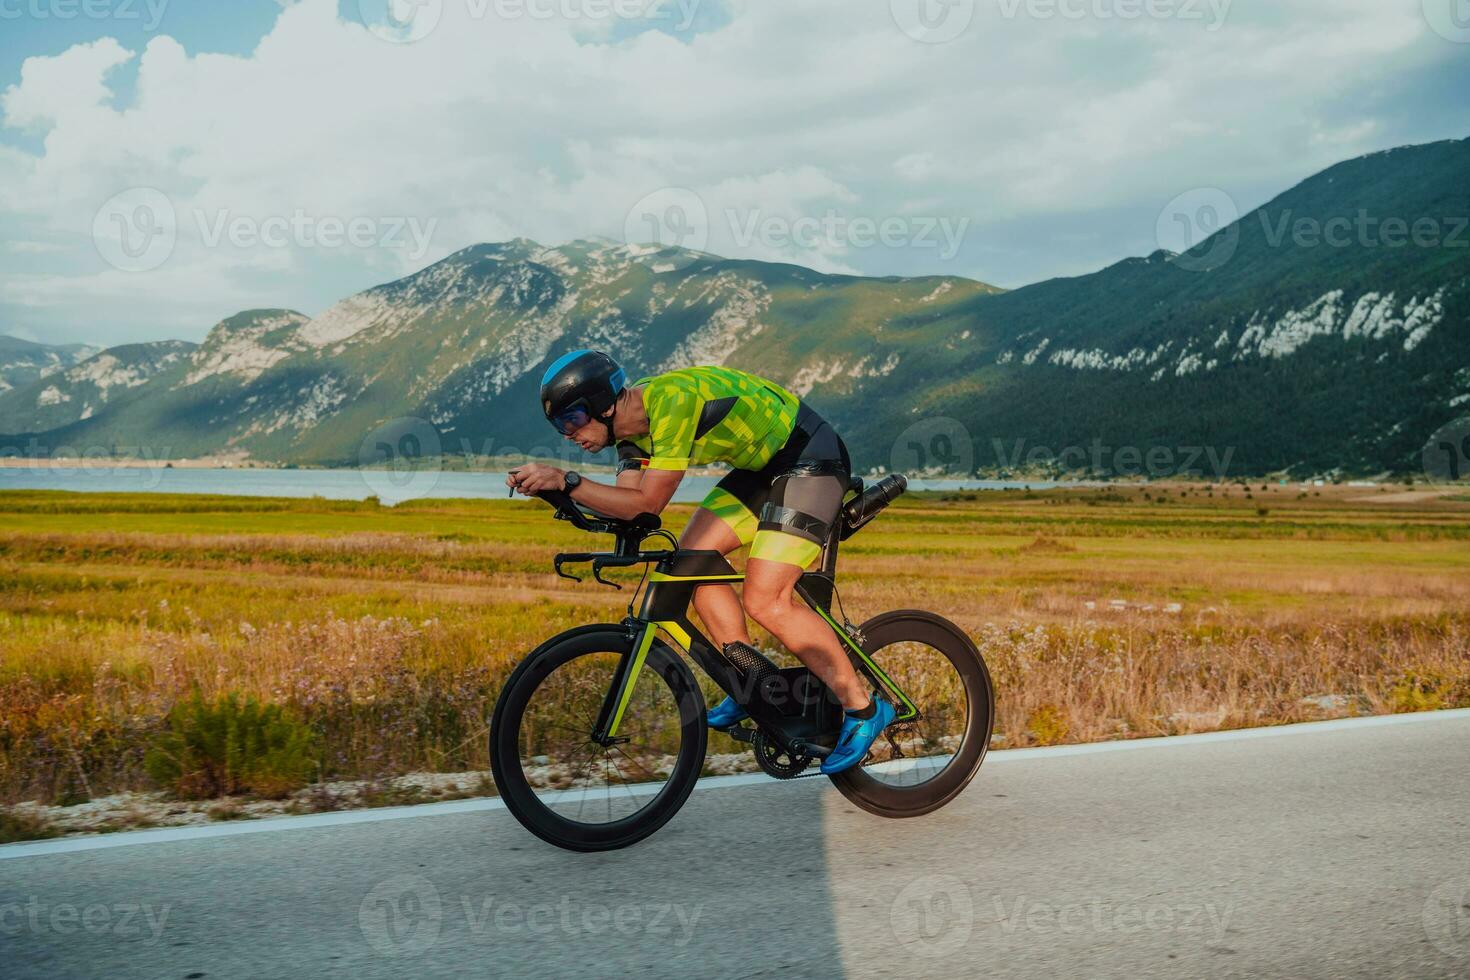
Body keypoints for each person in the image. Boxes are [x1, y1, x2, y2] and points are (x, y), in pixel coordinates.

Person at [507, 349, 895, 774]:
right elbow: (630, 510)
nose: (568, 434)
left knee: (766, 599)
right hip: (762, 470)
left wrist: (567, 479)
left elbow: (647, 501)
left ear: (604, 403)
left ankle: (862, 708)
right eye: (560, 426)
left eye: (572, 420)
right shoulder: (631, 435)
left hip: (810, 456)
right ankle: (754, 682)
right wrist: (557, 493)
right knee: (690, 562)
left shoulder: (670, 403)